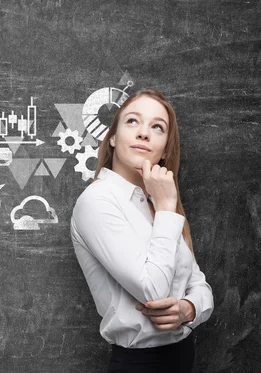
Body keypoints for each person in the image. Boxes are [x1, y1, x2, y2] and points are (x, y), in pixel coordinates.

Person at [70, 88, 214, 373]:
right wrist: (166, 208)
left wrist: (189, 310)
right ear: (112, 137)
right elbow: (154, 290)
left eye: (157, 127)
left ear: (165, 150)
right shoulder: (97, 201)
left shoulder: (156, 202)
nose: (144, 133)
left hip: (183, 358)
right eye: (132, 121)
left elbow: (200, 286)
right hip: (140, 364)